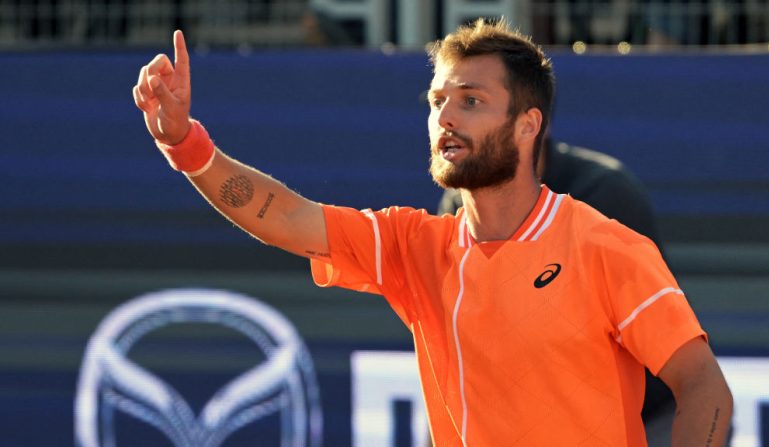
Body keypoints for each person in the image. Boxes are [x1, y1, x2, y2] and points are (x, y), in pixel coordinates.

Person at [132, 19, 733, 446]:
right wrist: (186, 145)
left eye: (470, 100)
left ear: (528, 126)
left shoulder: (604, 243)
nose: (444, 116)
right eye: (437, 99)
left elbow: (702, 384)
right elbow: (285, 216)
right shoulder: (416, 246)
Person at [438, 136, 677, 445]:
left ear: (531, 123)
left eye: (475, 103)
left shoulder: (606, 193)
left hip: (652, 420)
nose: (453, 123)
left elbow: (668, 347)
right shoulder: (461, 206)